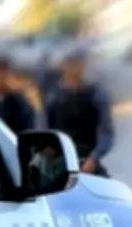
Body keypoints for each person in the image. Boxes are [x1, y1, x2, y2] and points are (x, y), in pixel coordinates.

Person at [44, 48, 114, 177]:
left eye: (79, 64)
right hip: (61, 162)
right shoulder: (54, 97)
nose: (75, 68)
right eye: (71, 64)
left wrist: (94, 158)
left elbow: (106, 131)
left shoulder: (95, 93)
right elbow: (46, 131)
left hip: (87, 161)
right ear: (64, 66)